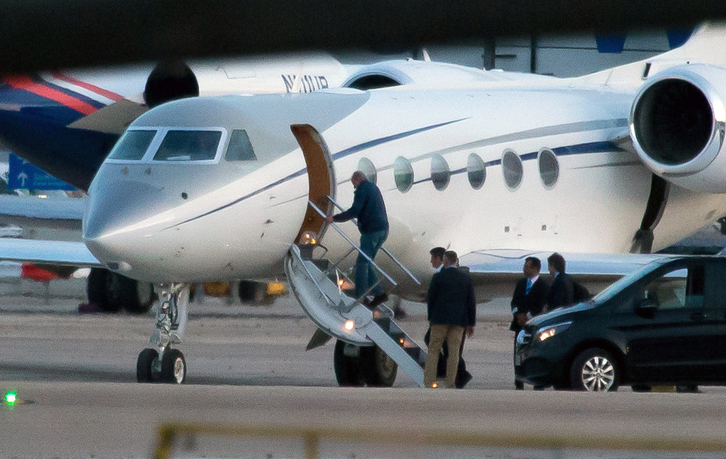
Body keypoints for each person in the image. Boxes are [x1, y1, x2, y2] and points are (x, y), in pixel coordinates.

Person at [326, 171, 389, 306]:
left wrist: (334, 218)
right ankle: (379, 293)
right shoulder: (373, 188)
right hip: (383, 230)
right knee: (367, 262)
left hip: (371, 231)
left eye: (354, 184)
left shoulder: (362, 189)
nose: (354, 188)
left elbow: (355, 211)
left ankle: (361, 297)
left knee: (361, 264)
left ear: (357, 179)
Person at [424, 250, 476, 388]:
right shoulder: (465, 278)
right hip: (459, 321)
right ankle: (451, 383)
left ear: (445, 261)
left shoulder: (437, 277)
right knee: (454, 353)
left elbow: (431, 299)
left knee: (434, 350)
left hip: (439, 319)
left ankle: (429, 382)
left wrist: (431, 318)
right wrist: (471, 323)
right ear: (456, 261)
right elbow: (470, 302)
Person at [510, 256, 549, 389]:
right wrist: (517, 315)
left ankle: (537, 381)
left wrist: (527, 316)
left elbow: (541, 305)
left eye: (527, 267)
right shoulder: (521, 283)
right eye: (524, 267)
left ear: (535, 269)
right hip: (519, 325)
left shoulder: (543, 285)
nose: (524, 269)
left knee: (534, 351)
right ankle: (518, 379)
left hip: (533, 325)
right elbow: (514, 301)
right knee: (517, 353)